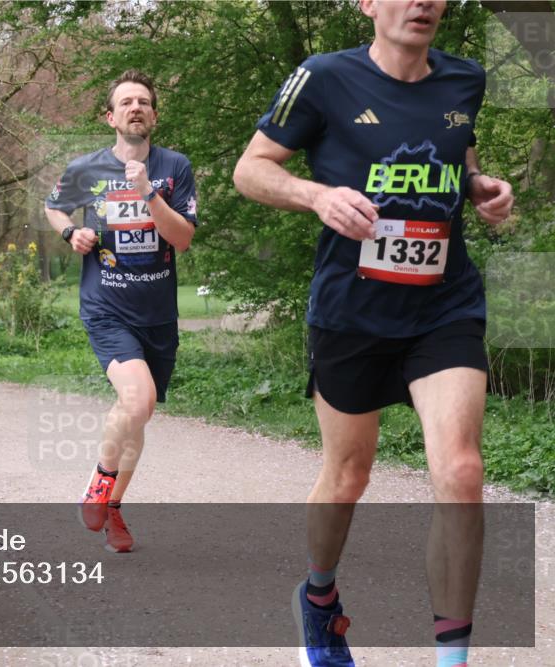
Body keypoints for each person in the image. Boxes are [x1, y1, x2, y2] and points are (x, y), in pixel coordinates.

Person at [233, 1, 514, 665]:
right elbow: (250, 169)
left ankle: (453, 660)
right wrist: (317, 196)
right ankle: (319, 598)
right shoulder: (323, 76)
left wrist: (479, 186)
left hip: (443, 305)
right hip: (351, 312)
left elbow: (457, 152)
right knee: (349, 474)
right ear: (367, 3)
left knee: (461, 470)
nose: (421, 2)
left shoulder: (463, 80)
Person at [44, 70, 198, 553]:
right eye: (126, 102)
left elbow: (183, 238)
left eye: (143, 102)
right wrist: (71, 233)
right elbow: (54, 207)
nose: (136, 108)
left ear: (154, 114)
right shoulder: (85, 169)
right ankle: (99, 484)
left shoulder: (175, 167)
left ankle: (112, 505)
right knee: (136, 400)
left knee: (140, 412)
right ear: (110, 117)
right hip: (107, 306)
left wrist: (149, 192)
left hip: (158, 313)